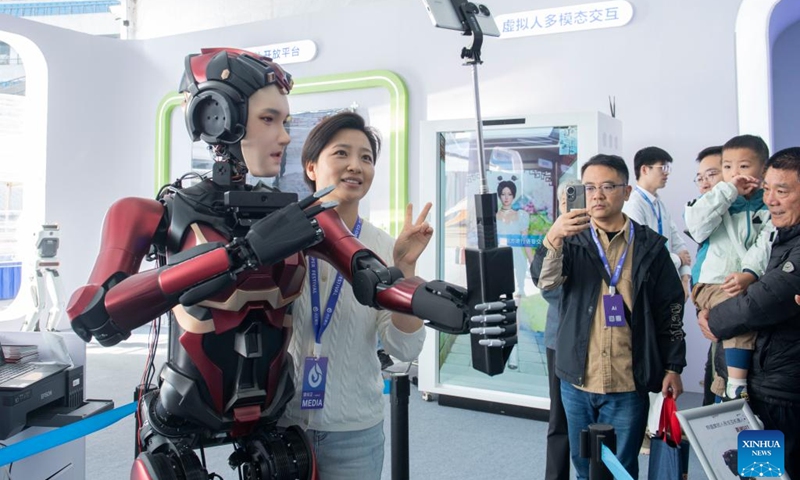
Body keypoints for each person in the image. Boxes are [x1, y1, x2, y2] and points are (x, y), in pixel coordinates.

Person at [66, 48, 515, 480]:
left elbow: (376, 281)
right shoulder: (151, 212)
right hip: (185, 411)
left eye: (284, 121)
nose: (283, 136)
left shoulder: (301, 218)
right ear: (217, 117)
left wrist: (458, 309)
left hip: (276, 420)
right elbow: (96, 316)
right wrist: (241, 254)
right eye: (269, 119)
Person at [277, 111, 432, 479]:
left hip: (354, 432)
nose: (356, 166)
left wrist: (405, 269)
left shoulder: (383, 247)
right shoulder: (281, 240)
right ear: (311, 166)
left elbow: (405, 348)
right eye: (341, 153)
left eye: (366, 157)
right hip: (281, 425)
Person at [531, 154, 686, 479]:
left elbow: (670, 309)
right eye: (589, 187)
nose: (597, 195)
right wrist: (554, 236)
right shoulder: (572, 240)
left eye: (607, 186)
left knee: (621, 467)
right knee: (583, 465)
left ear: (626, 191)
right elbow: (545, 281)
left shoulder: (650, 246)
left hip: (627, 381)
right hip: (577, 379)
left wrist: (673, 366)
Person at [699, 146, 800, 478]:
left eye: (782, 191)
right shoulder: (776, 235)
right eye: (766, 189)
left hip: (782, 396)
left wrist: (712, 319)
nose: (770, 200)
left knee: (775, 473)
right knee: (759, 472)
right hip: (761, 391)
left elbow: (758, 304)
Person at [684, 134, 773, 400]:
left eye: (743, 166)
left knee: (738, 320)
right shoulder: (714, 202)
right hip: (714, 284)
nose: (735, 173)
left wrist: (749, 273)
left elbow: (764, 244)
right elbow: (697, 228)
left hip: (745, 284)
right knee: (738, 313)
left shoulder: (769, 204)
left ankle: (726, 385)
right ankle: (735, 385)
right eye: (727, 167)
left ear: (763, 169)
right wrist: (727, 190)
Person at [542, 180, 580, 480]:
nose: (572, 206)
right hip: (559, 337)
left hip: (598, 339)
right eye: (566, 200)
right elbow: (546, 287)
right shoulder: (553, 236)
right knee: (560, 418)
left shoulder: (601, 234)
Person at [623, 146, 692, 300]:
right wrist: (678, 259)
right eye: (662, 168)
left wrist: (684, 279)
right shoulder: (633, 205)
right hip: (646, 284)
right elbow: (642, 252)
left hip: (667, 282)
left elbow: (679, 243)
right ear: (645, 169)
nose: (667, 173)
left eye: (668, 168)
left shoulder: (660, 204)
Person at [690, 145, 725, 406]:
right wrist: (702, 310)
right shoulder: (706, 218)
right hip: (715, 320)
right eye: (700, 178)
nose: (704, 183)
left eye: (711, 175)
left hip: (738, 323)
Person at [496, 176, 533, 298]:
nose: (506, 198)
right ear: (499, 196)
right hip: (499, 255)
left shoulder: (521, 215)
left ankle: (520, 289)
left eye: (509, 194)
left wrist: (532, 261)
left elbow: (525, 240)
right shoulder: (493, 216)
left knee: (518, 293)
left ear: (513, 196)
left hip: (517, 255)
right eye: (503, 194)